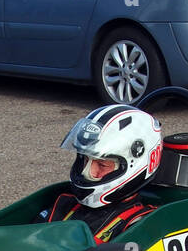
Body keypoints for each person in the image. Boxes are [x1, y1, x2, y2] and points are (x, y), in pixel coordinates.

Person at [35, 104, 162, 242]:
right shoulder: (63, 205)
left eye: (102, 164)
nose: (87, 172)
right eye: (84, 160)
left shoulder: (141, 225)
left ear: (135, 165)